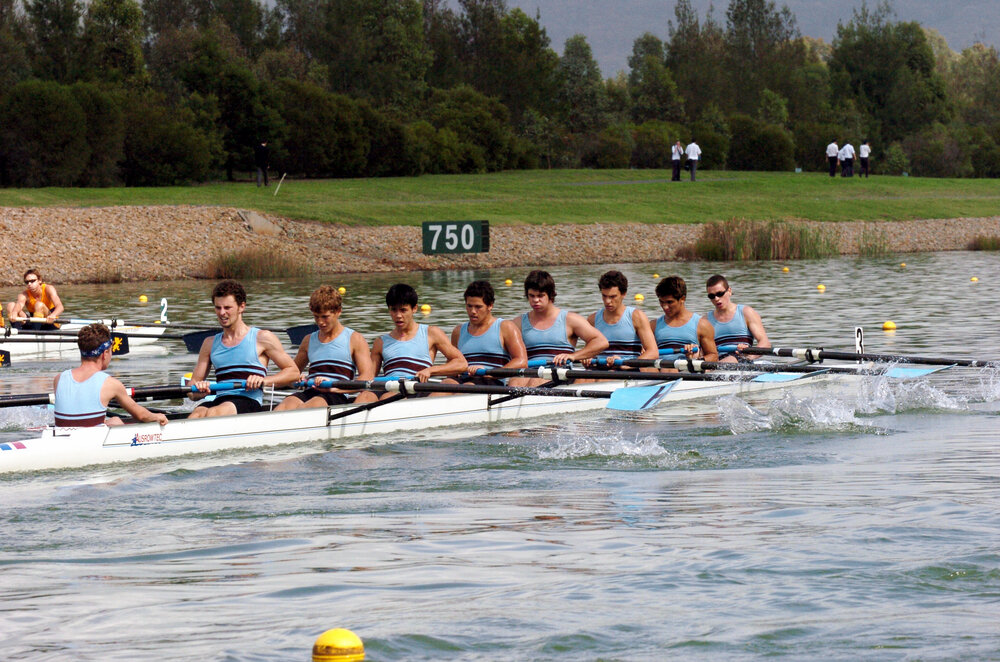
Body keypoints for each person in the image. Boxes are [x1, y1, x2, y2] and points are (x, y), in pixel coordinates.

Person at [188, 280, 299, 417]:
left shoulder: (262, 338)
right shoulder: (209, 343)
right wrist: (198, 391)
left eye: (227, 308)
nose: (222, 313)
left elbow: (293, 372)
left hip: (249, 401)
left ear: (241, 307)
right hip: (220, 399)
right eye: (218, 308)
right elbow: (192, 389)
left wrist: (264, 381)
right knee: (196, 414)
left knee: (214, 412)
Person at [275, 285, 377, 411]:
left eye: (325, 317)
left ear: (338, 311)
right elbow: (291, 374)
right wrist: (296, 379)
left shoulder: (355, 339)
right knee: (287, 403)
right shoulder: (308, 340)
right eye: (316, 317)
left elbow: (367, 378)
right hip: (311, 391)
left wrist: (335, 388)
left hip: (336, 394)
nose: (320, 322)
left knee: (316, 403)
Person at [53, 323, 168, 427]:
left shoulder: (59, 378)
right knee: (117, 421)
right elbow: (142, 416)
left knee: (113, 420)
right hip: (91, 443)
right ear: (105, 353)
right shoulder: (111, 384)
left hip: (60, 439)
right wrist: (157, 416)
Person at [510, 270, 608, 386]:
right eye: (532, 296)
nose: (535, 300)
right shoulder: (518, 323)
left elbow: (601, 342)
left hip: (560, 373)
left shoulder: (570, 320)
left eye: (541, 296)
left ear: (550, 295)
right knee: (514, 382)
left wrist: (574, 356)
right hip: (530, 371)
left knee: (537, 381)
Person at [370, 283, 467, 398]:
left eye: (403, 310)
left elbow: (461, 363)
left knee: (389, 397)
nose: (398, 315)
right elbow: (368, 378)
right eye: (394, 310)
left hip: (418, 388)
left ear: (414, 309)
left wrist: (431, 370)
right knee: (366, 396)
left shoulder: (431, 333)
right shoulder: (380, 342)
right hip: (391, 387)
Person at [446, 280, 527, 384]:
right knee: (446, 382)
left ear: (490, 306)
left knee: (468, 386)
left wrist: (492, 372)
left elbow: (521, 362)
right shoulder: (458, 332)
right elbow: (450, 363)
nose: (473, 311)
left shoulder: (505, 327)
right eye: (469, 306)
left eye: (478, 307)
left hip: (491, 381)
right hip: (463, 380)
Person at [585, 270, 657, 366]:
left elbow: (653, 352)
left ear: (623, 294)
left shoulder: (637, 317)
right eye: (604, 296)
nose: (607, 301)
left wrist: (626, 365)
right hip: (599, 371)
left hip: (627, 373)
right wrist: (586, 358)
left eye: (613, 296)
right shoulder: (592, 320)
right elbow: (588, 353)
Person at [650, 276, 718, 367]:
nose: (665, 307)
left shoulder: (702, 325)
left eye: (669, 302)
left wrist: (695, 360)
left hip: (686, 372)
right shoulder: (653, 325)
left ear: (682, 299)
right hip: (660, 372)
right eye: (661, 302)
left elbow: (713, 356)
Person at [704, 274, 770, 362]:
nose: (716, 299)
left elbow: (765, 343)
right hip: (716, 366)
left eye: (720, 294)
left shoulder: (746, 313)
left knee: (731, 359)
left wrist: (749, 356)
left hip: (743, 364)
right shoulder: (705, 320)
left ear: (729, 291)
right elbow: (702, 352)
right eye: (711, 296)